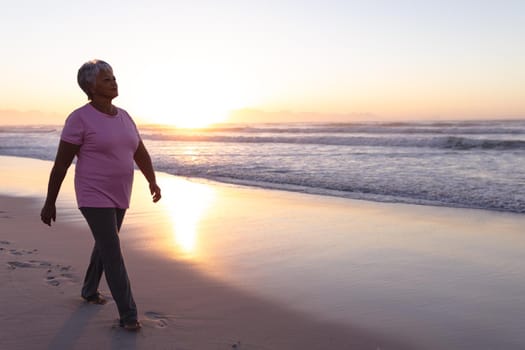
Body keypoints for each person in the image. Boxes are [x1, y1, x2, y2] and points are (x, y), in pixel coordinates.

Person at [40, 59, 162, 331]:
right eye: (106, 79)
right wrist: (50, 202)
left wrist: (152, 180)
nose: (114, 82)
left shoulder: (125, 116)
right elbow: (61, 164)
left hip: (120, 191)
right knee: (112, 250)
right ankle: (128, 316)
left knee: (106, 244)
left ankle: (89, 290)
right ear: (90, 87)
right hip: (92, 193)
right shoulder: (79, 118)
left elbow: (139, 151)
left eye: (114, 77)